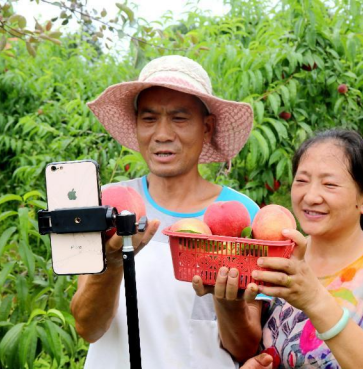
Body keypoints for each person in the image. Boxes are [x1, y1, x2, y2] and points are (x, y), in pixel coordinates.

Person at [71, 55, 260, 368]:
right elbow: (88, 327)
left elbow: (245, 348)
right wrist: (114, 261)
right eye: (149, 119)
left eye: (179, 118)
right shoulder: (108, 206)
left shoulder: (243, 217)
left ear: (207, 127)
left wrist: (228, 303)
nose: (162, 134)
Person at [195, 129, 363, 368]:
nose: (311, 196)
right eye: (302, 180)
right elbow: (245, 348)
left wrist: (314, 300)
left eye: (330, 184)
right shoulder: (278, 255)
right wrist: (227, 302)